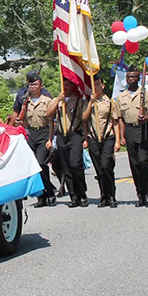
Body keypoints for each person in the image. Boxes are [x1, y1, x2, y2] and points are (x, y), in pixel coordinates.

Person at [117, 65, 148, 207]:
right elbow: (120, 118)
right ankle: (140, 194)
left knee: (143, 162)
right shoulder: (121, 96)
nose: (131, 79)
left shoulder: (145, 93)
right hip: (129, 130)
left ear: (139, 78)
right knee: (134, 164)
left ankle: (147, 193)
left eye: (134, 76)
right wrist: (121, 137)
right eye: (129, 77)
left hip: (142, 129)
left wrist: (145, 118)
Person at [46, 78, 88, 207]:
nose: (65, 87)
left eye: (68, 84)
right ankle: (73, 196)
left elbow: (84, 120)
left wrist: (86, 138)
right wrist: (58, 99)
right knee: (66, 168)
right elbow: (49, 114)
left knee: (75, 165)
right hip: (62, 136)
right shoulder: (58, 100)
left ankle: (82, 193)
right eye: (63, 84)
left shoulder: (78, 100)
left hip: (75, 135)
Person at [81, 74, 121, 208]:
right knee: (99, 169)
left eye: (98, 84)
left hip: (108, 136)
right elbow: (84, 118)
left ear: (103, 86)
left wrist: (118, 140)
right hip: (93, 137)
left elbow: (115, 121)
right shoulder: (88, 102)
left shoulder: (110, 102)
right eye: (94, 85)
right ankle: (104, 196)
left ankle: (112, 195)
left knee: (106, 165)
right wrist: (91, 103)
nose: (96, 87)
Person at [18, 72, 57, 207]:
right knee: (34, 167)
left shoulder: (47, 101)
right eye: (30, 85)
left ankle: (50, 192)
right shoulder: (26, 102)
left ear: (41, 86)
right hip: (32, 134)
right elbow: (22, 120)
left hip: (44, 133)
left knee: (41, 164)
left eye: (35, 84)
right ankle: (41, 196)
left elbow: (51, 121)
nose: (32, 87)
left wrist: (50, 139)